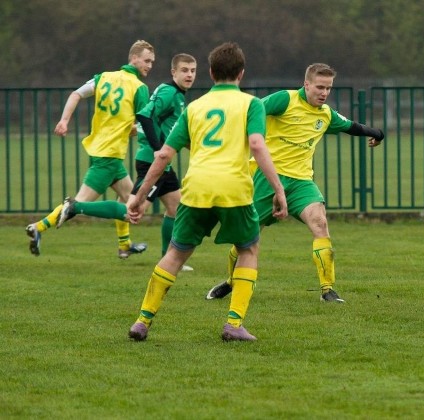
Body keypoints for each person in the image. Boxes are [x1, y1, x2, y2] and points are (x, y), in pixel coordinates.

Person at [127, 41, 288, 342]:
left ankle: (142, 321)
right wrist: (278, 188)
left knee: (175, 253)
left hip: (196, 188)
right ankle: (234, 324)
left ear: (211, 72)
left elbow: (163, 154)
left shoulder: (194, 108)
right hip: (233, 190)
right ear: (241, 73)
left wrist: (138, 196)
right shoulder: (251, 104)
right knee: (248, 249)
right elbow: (256, 144)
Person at [205, 63, 384, 303]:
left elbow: (350, 125)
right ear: (307, 84)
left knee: (320, 223)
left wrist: (376, 132)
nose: (324, 93)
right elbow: (253, 109)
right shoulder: (285, 100)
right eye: (320, 87)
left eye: (329, 88)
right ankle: (231, 281)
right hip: (266, 178)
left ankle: (327, 290)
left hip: (301, 182)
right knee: (247, 237)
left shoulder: (325, 114)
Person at [56, 53, 197, 271]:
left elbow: (172, 131)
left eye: (193, 71)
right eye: (184, 70)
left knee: (175, 207)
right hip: (154, 162)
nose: (189, 75)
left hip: (162, 163)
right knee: (133, 210)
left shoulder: (177, 95)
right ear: (174, 72)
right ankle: (76, 206)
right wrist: (159, 149)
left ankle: (168, 259)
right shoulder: (169, 92)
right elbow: (145, 116)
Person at [26, 40, 155, 259]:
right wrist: (140, 133)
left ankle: (124, 245)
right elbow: (144, 123)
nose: (150, 65)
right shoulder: (139, 87)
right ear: (133, 58)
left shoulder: (104, 77)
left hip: (103, 151)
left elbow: (76, 94)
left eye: (152, 62)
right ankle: (38, 227)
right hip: (109, 156)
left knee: (129, 197)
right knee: (84, 205)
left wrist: (64, 120)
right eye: (146, 60)